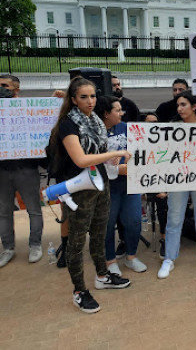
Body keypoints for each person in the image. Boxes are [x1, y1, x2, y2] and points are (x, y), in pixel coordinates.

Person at [49, 76, 131, 313]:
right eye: (84, 97)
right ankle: (79, 291)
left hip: (99, 184)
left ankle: (102, 277)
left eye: (93, 96)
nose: (90, 101)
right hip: (78, 189)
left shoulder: (94, 120)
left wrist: (110, 156)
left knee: (99, 233)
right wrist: (110, 155)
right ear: (73, 99)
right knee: (76, 241)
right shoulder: (68, 124)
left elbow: (99, 150)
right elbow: (81, 159)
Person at [0, 74, 64, 267]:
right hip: (2, 170)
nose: (1, 89)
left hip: (27, 168)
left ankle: (35, 245)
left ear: (16, 89)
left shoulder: (30, 110)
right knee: (3, 212)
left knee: (34, 209)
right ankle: (8, 248)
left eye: (5, 86)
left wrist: (56, 103)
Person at [157, 91, 196, 278]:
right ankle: (169, 258)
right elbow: (163, 155)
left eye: (183, 104)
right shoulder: (172, 127)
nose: (179, 108)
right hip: (178, 179)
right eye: (178, 105)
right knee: (174, 218)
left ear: (194, 106)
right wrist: (161, 182)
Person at [95, 96, 147, 276]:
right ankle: (110, 260)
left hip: (129, 184)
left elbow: (140, 151)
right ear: (105, 114)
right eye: (117, 110)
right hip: (106, 187)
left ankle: (131, 256)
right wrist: (116, 168)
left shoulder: (127, 128)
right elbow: (90, 161)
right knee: (107, 224)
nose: (122, 113)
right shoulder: (94, 132)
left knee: (134, 221)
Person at [141, 112, 168, 259]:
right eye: (148, 123)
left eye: (155, 122)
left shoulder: (164, 143)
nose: (152, 126)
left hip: (162, 184)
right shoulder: (138, 144)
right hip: (146, 185)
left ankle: (164, 238)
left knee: (163, 203)